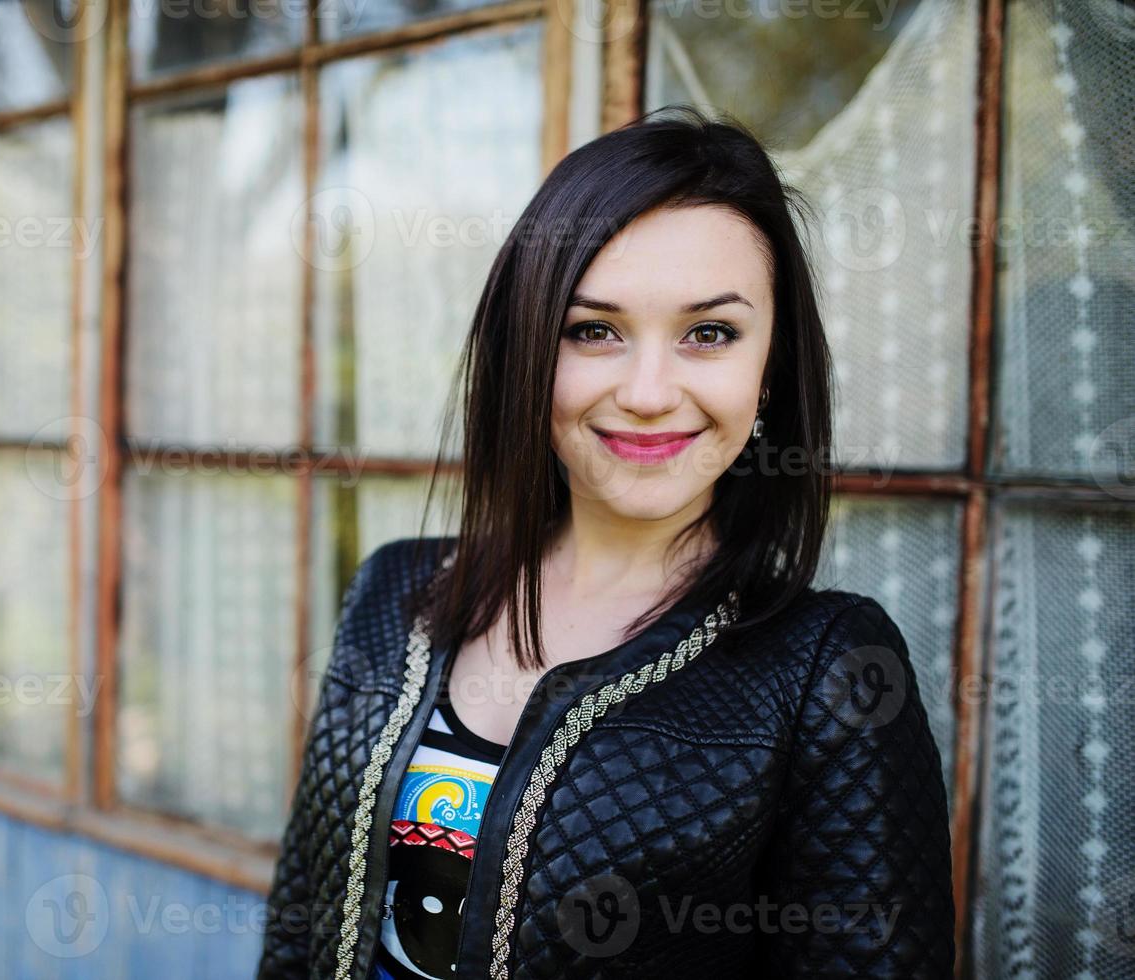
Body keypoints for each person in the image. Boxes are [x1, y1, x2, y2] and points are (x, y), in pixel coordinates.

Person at [257, 104, 955, 979]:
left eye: (710, 333)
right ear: (528, 352)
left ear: (770, 367)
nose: (650, 391)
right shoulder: (394, 591)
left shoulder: (826, 669)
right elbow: (299, 927)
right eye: (594, 330)